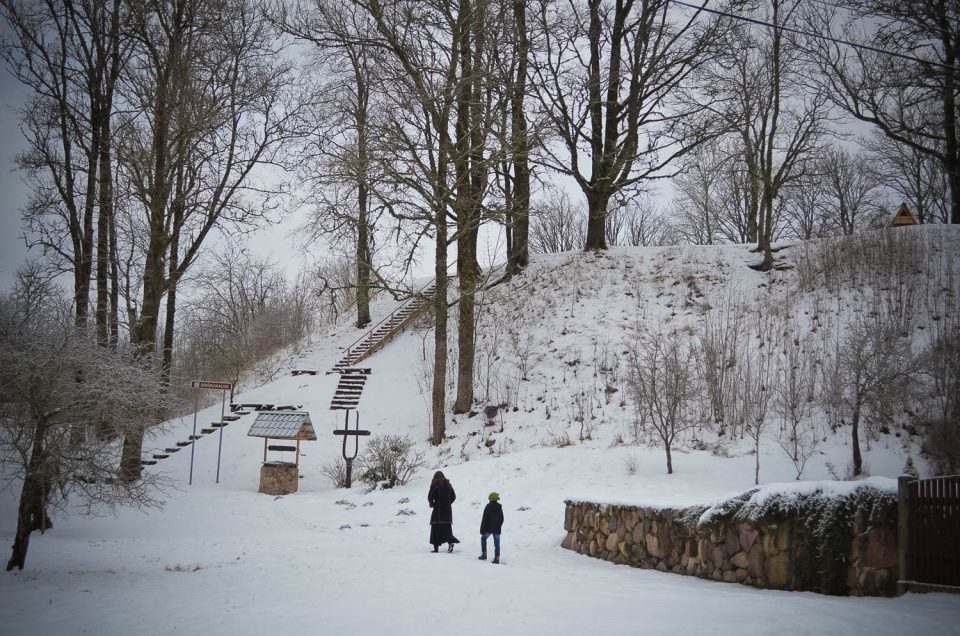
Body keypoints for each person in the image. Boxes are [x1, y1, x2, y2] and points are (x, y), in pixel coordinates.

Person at [428, 470, 459, 552]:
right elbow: (453, 496)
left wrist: (432, 504)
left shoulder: (434, 485)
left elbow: (430, 497)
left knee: (435, 530)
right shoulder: (449, 485)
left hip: (437, 512)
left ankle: (436, 549)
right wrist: (448, 503)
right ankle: (450, 543)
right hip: (447, 512)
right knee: (447, 529)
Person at [478, 491, 504, 564]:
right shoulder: (499, 507)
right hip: (497, 529)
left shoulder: (488, 506)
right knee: (497, 544)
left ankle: (484, 554)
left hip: (488, 529)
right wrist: (498, 526)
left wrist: (482, 529)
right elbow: (502, 518)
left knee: (483, 538)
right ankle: (497, 558)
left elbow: (484, 519)